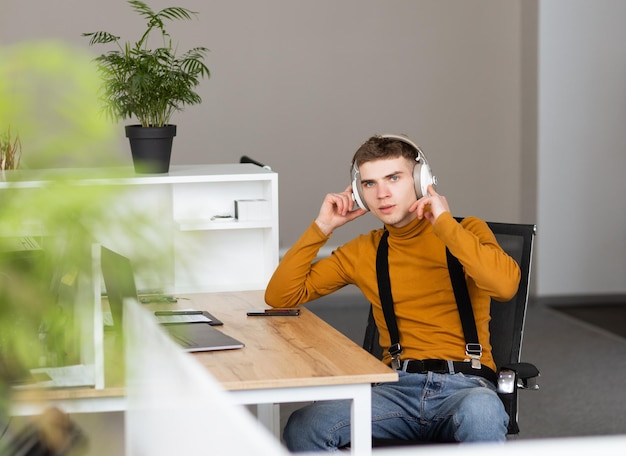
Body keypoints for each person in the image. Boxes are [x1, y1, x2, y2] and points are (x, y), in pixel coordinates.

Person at [264, 134, 521, 452]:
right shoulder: (364, 251)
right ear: (359, 193)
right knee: (305, 426)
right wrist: (322, 227)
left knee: (481, 412)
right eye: (369, 184)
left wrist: (443, 223)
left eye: (394, 178)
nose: (382, 194)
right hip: (394, 389)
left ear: (421, 180)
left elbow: (505, 286)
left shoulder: (466, 231)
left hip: (466, 386)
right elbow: (281, 296)